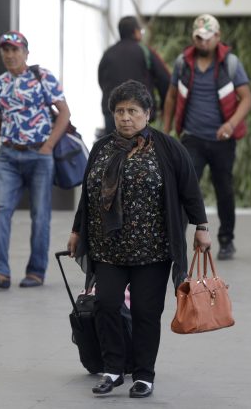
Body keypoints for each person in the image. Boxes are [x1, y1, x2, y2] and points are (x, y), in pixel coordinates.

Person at [67, 80, 211, 398]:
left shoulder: (168, 147)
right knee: (106, 306)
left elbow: (190, 190)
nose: (126, 117)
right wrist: (77, 231)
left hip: (153, 250)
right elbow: (88, 195)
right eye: (120, 111)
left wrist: (201, 227)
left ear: (147, 114)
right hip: (109, 248)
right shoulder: (103, 148)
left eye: (133, 110)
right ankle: (113, 369)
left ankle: (144, 374)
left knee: (147, 312)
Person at [0, 31, 70, 289]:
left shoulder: (43, 77)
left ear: (26, 53)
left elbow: (64, 113)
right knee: (0, 211)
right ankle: (0, 273)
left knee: (40, 215)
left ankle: (36, 272)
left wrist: (48, 146)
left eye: (15, 50)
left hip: (39, 155)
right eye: (6, 50)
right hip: (8, 156)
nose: (10, 55)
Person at [163, 14, 251, 261]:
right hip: (191, 138)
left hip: (223, 140)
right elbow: (171, 97)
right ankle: (176, 241)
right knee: (183, 188)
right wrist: (166, 130)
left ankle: (226, 240)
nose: (202, 42)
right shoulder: (183, 63)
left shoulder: (230, 64)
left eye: (207, 38)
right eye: (198, 38)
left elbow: (246, 98)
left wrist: (231, 124)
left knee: (224, 189)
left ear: (217, 37)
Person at [98, 16, 170, 135]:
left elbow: (101, 81)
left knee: (114, 150)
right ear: (136, 32)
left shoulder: (108, 53)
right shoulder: (145, 51)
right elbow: (165, 79)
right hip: (138, 114)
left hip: (113, 114)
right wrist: (163, 107)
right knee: (139, 151)